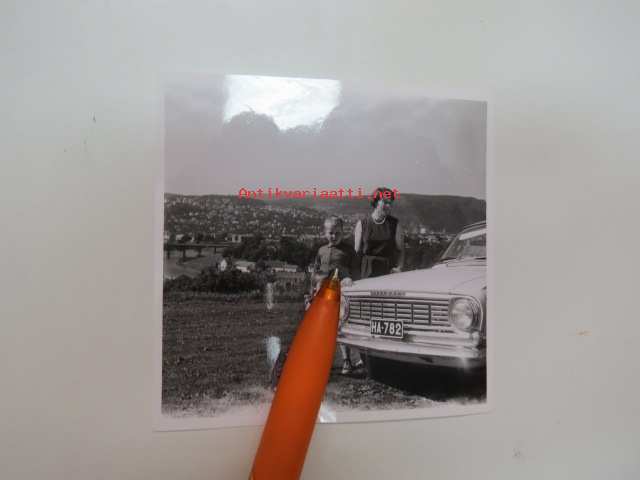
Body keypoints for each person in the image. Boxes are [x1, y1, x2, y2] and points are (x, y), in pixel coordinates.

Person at [310, 216, 361, 374]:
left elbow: (356, 271)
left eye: (337, 233)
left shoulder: (349, 251)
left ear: (342, 232)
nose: (334, 236)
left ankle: (346, 360)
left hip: (341, 293)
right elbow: (315, 271)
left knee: (340, 327)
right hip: (322, 294)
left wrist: (349, 279)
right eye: (331, 233)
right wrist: (313, 288)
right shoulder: (321, 251)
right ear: (325, 233)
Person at [354, 187, 405, 279]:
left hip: (388, 271)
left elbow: (400, 250)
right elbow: (356, 252)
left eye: (390, 203)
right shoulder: (362, 224)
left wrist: (399, 268)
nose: (388, 206)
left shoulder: (395, 224)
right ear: (376, 201)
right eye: (385, 202)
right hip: (366, 271)